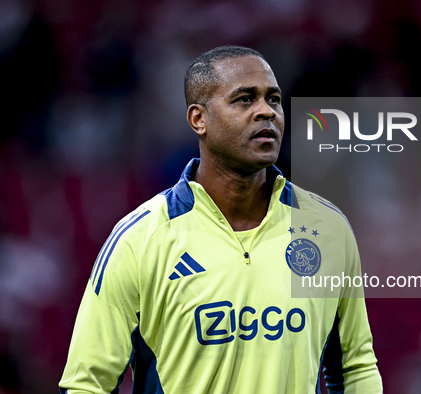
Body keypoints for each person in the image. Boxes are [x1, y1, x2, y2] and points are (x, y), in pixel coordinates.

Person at [59, 45, 382, 393]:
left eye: (273, 99)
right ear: (199, 119)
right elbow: (85, 384)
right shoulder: (140, 238)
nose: (266, 112)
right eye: (245, 99)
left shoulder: (327, 229)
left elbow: (354, 367)